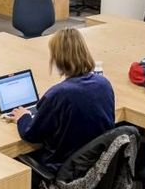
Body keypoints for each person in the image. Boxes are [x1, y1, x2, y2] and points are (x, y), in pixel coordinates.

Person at [7, 28, 115, 176]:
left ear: (57, 58)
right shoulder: (104, 83)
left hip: (64, 169)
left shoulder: (58, 94)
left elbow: (31, 135)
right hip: (94, 167)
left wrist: (24, 117)